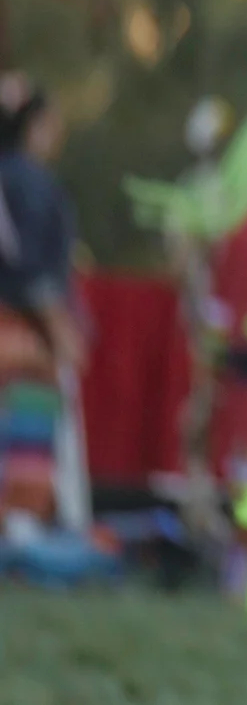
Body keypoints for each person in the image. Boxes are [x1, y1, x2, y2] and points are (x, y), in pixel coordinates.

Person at [0, 74, 83, 530]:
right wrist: (59, 329)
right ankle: (20, 528)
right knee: (26, 443)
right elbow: (31, 268)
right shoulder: (30, 182)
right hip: (23, 334)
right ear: (35, 124)